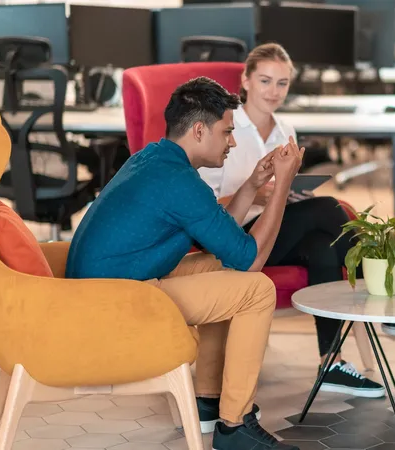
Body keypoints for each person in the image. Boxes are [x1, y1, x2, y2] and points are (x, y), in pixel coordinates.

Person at [66, 77, 301, 450]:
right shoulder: (179, 181)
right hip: (117, 302)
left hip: (114, 286)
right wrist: (284, 183)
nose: (233, 142)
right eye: (227, 132)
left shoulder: (154, 159)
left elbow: (223, 237)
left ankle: (207, 399)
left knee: (217, 266)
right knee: (256, 289)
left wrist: (253, 184)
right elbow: (251, 259)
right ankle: (234, 426)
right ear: (197, 130)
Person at [197, 43, 393, 398]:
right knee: (329, 208)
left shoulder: (285, 126)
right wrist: (256, 193)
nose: (273, 92)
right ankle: (387, 293)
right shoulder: (224, 126)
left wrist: (288, 193)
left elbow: (281, 193)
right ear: (246, 79)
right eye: (265, 81)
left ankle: (331, 362)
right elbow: (202, 207)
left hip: (276, 229)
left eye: (282, 83)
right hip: (236, 234)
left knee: (321, 246)